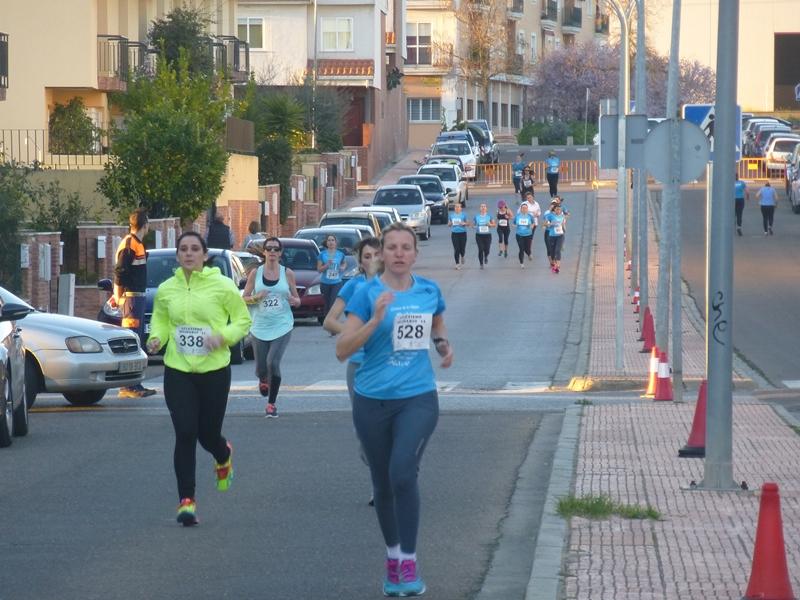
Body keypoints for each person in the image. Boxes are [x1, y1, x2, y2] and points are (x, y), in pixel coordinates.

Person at [335, 221, 453, 598]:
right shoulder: (367, 293)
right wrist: (374, 321)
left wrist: (443, 345)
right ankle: (393, 559)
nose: (400, 253)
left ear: (415, 254)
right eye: (393, 247)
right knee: (383, 482)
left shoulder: (429, 291)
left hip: (418, 397)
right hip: (372, 400)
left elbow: (436, 323)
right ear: (381, 253)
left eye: (406, 247)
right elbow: (343, 350)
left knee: (403, 472)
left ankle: (410, 560)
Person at [146, 231, 251, 526]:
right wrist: (156, 338)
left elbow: (242, 320)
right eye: (183, 249)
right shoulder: (167, 289)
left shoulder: (222, 285)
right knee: (185, 432)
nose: (189, 254)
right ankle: (186, 501)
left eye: (195, 249)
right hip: (178, 371)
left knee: (207, 434)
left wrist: (224, 337)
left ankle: (222, 452)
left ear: (204, 255)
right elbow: (162, 320)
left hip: (214, 371)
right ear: (177, 256)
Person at [323, 237, 383, 504]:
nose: (371, 260)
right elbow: (329, 321)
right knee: (365, 430)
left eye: (375, 255)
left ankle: (388, 479)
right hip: (359, 364)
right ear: (360, 261)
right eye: (366, 256)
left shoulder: (396, 286)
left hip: (388, 363)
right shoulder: (354, 285)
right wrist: (356, 332)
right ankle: (381, 474)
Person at [242, 237, 301, 418]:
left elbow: (297, 299)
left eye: (276, 249)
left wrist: (294, 300)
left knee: (272, 362)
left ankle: (271, 404)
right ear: (265, 252)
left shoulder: (287, 273)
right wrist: (256, 298)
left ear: (280, 253)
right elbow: (244, 298)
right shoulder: (256, 274)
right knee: (261, 367)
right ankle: (262, 378)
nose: (273, 252)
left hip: (282, 325)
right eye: (270, 249)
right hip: (260, 326)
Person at [113, 208, 156, 398]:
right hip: (131, 299)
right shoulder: (130, 244)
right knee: (131, 342)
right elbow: (120, 272)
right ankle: (129, 385)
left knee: (136, 341)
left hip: (136, 297)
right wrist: (117, 296)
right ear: (145, 225)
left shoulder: (136, 243)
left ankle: (134, 383)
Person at [318, 234, 347, 317]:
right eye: (329, 240)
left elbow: (344, 263)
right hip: (325, 283)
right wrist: (326, 265)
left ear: (336, 242)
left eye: (332, 240)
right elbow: (319, 269)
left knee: (333, 303)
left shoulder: (340, 254)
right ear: (326, 243)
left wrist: (342, 267)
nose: (331, 242)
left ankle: (333, 320)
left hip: (336, 282)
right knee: (326, 304)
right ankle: (327, 321)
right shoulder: (322, 254)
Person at [544, 203, 566, 273]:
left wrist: (564, 230)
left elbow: (563, 225)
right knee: (552, 251)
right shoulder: (550, 216)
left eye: (559, 209)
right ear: (554, 210)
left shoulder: (562, 216)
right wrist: (549, 224)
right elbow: (545, 224)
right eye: (557, 209)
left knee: (558, 250)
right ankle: (554, 263)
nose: (558, 211)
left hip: (560, 235)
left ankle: (558, 265)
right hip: (552, 236)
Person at [473, 203, 495, 270]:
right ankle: (481, 264)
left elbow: (494, 225)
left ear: (486, 208)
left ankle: (486, 256)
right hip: (479, 235)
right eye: (482, 206)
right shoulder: (476, 217)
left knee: (487, 249)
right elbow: (473, 225)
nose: (483, 208)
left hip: (487, 235)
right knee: (480, 249)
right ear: (480, 208)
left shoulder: (489, 216)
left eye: (484, 206)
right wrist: (475, 227)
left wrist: (490, 224)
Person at [448, 202, 469, 269]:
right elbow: (448, 224)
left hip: (463, 233)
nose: (457, 208)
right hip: (454, 233)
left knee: (462, 248)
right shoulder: (451, 215)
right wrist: (450, 223)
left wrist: (464, 223)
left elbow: (468, 223)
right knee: (456, 249)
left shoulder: (463, 215)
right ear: (454, 208)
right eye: (456, 207)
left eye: (458, 207)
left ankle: (462, 256)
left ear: (461, 208)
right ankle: (457, 263)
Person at [514, 203, 535, 268]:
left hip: (528, 234)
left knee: (527, 248)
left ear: (527, 209)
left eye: (525, 208)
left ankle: (529, 253)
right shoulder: (517, 216)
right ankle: (521, 263)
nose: (524, 209)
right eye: (523, 208)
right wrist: (515, 225)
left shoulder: (530, 216)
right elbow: (514, 224)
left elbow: (533, 223)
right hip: (519, 234)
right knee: (521, 249)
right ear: (521, 209)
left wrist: (531, 226)